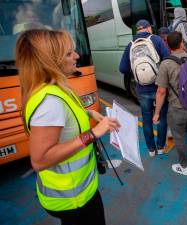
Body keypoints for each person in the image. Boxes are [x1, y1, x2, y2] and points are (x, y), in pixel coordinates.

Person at [16, 29, 120, 225]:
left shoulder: (55, 87)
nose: (77, 56)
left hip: (76, 192)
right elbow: (40, 160)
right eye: (69, 53)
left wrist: (89, 114)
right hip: (72, 198)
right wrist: (93, 133)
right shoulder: (49, 101)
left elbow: (66, 116)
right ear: (51, 60)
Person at [153, 31, 187, 175]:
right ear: (182, 43)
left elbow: (161, 91)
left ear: (168, 46)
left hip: (177, 108)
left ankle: (184, 166)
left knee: (179, 137)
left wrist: (157, 113)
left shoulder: (166, 64)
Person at [119, 19, 170, 157]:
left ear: (137, 30)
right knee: (161, 116)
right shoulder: (156, 40)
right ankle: (160, 146)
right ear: (148, 28)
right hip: (159, 86)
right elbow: (168, 59)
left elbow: (122, 68)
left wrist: (138, 71)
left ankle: (151, 150)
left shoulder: (130, 44)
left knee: (146, 119)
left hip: (141, 89)